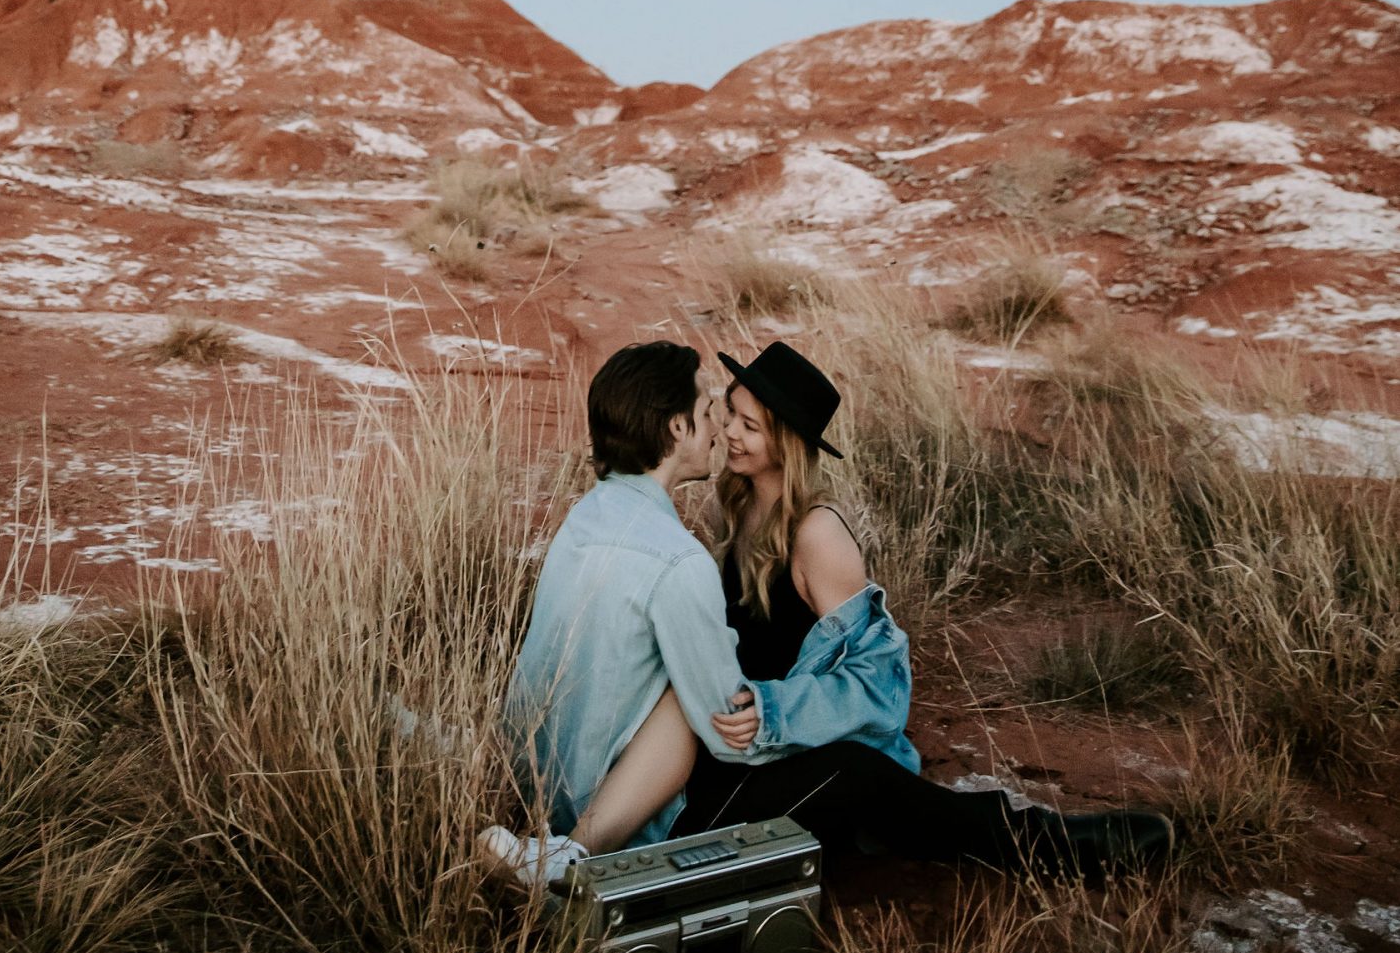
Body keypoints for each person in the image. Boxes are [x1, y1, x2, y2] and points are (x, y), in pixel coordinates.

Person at [486, 336, 1171, 888]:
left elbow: (880, 685)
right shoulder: (731, 511)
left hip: (769, 737)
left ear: (786, 443)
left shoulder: (817, 534)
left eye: (746, 425)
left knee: (859, 776)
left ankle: (1053, 847)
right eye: (725, 412)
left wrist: (773, 711)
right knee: (837, 785)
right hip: (726, 748)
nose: (724, 431)